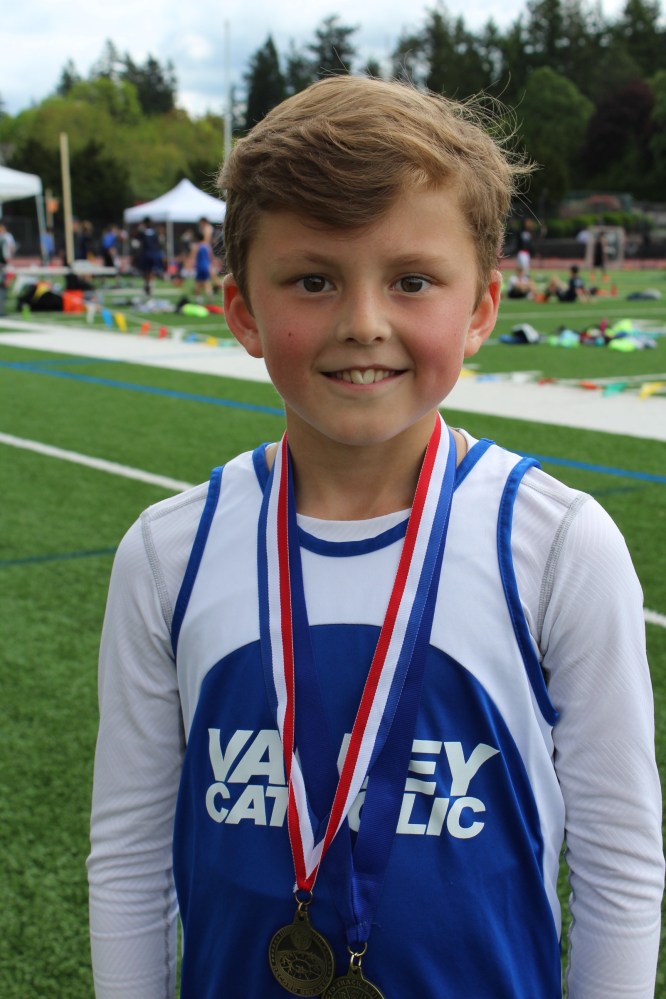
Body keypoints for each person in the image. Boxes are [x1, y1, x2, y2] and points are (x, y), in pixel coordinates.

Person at [87, 76, 663, 999]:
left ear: (481, 308)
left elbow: (620, 862)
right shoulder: (168, 553)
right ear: (242, 311)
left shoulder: (559, 547)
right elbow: (128, 854)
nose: (364, 323)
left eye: (412, 281)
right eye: (314, 280)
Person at [137, 216, 161, 296]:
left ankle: (148, 285)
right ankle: (149, 285)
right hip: (151, 254)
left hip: (147, 254)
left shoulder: (143, 232)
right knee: (150, 271)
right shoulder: (153, 232)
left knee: (148, 271)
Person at [193, 227, 213, 297]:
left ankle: (198, 299)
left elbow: (194, 257)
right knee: (207, 282)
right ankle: (210, 298)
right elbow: (210, 256)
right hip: (206, 266)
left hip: (200, 266)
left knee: (198, 283)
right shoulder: (207, 246)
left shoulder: (197, 246)